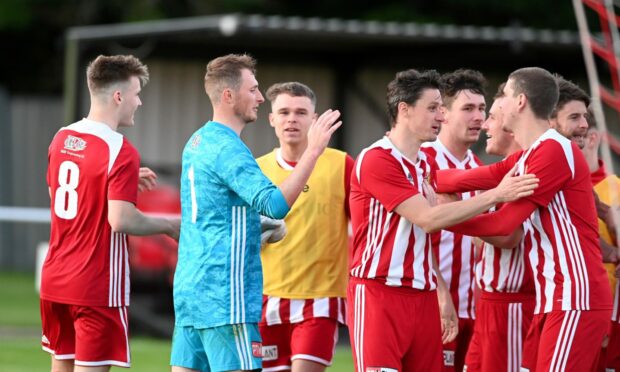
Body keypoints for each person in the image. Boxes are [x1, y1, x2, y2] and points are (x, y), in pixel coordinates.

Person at [347, 68, 538, 372]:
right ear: (404, 110)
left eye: (441, 107)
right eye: (433, 108)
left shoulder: (424, 164)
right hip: (380, 292)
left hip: (424, 294)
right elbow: (427, 219)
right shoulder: (377, 159)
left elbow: (430, 235)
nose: (441, 115)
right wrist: (495, 195)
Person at [171, 54, 342, 372]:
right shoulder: (229, 148)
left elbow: (215, 212)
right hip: (225, 295)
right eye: (253, 89)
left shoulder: (197, 141)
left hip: (191, 291)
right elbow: (275, 205)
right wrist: (315, 149)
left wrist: (254, 226)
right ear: (228, 96)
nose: (261, 98)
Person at [434, 67, 612, 371]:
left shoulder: (553, 151)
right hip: (554, 297)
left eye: (502, 96)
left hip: (573, 296)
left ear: (519, 101)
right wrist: (422, 177)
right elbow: (480, 176)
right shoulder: (536, 152)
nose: (496, 104)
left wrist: (438, 217)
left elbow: (504, 226)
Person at [40, 54, 181, 372]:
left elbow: (60, 198)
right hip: (95, 285)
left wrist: (121, 180)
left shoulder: (62, 137)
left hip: (55, 281)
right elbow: (121, 220)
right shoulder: (120, 149)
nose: (139, 102)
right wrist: (169, 226)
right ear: (118, 96)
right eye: (136, 93)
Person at [256, 82, 353, 372]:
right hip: (266, 296)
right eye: (283, 112)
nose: (291, 119)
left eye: (300, 112)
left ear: (314, 119)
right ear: (272, 119)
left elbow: (362, 228)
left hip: (320, 299)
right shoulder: (256, 169)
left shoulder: (341, 164)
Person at [462, 84, 536, 372]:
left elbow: (508, 237)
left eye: (491, 116)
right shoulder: (504, 172)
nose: (484, 125)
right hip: (491, 304)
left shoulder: (525, 172)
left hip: (512, 307)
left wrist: (452, 215)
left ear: (512, 125)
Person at [421, 69, 487, 372]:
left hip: (474, 309)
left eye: (482, 109)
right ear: (443, 114)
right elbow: (416, 232)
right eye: (468, 108)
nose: (478, 118)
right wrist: (440, 291)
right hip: (433, 305)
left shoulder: (479, 169)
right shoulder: (422, 160)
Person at [581, 109, 620, 371]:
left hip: (609, 320)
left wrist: (609, 217)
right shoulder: (550, 188)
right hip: (566, 316)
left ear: (592, 139)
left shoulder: (616, 188)